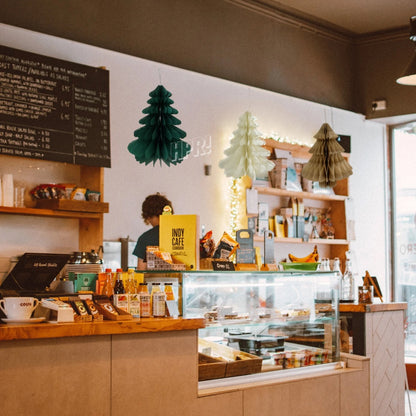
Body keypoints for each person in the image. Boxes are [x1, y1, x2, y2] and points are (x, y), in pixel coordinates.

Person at [133, 193, 173, 270]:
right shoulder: (179, 233)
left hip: (152, 280)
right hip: (179, 280)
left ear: (149, 215)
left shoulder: (145, 238)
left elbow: (141, 269)